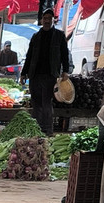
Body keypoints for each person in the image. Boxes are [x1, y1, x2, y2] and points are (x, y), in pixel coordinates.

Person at [21, 8, 71, 136]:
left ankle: (48, 130)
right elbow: (29, 56)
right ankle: (36, 130)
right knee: (36, 103)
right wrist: (23, 73)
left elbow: (65, 55)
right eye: (45, 18)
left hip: (50, 75)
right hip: (35, 75)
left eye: (49, 18)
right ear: (41, 20)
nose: (47, 21)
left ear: (53, 20)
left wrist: (65, 70)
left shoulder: (59, 36)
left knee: (46, 103)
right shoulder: (36, 36)